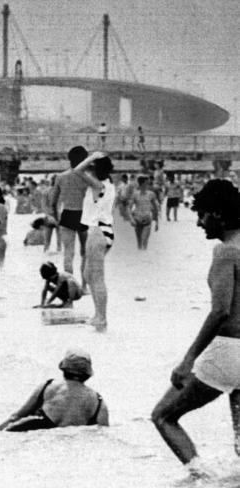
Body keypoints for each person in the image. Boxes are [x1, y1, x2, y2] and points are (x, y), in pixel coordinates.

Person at [151, 179, 240, 478]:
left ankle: (203, 480)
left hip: (227, 352)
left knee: (163, 416)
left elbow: (220, 311)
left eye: (202, 214)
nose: (200, 223)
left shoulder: (226, 252)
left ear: (218, 214)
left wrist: (188, 359)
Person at [0, 348, 108, 431]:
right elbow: (103, 434)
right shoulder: (98, 402)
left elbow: (16, 417)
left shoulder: (47, 387)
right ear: (88, 373)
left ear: (63, 369)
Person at [74, 151, 115, 331]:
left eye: (93, 168)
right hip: (102, 230)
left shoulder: (100, 185)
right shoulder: (106, 184)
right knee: (88, 275)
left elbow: (77, 171)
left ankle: (101, 317)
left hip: (99, 230)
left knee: (97, 277)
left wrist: (90, 158)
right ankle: (98, 314)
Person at [50, 146, 90, 291]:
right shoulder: (88, 178)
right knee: (85, 253)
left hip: (67, 214)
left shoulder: (61, 177)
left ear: (69, 159)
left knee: (68, 253)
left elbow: (53, 202)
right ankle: (85, 287)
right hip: (84, 215)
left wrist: (56, 217)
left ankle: (70, 285)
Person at [129, 175, 159, 250]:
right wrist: (131, 219)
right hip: (137, 219)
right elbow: (129, 208)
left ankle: (144, 257)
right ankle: (140, 259)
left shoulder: (151, 194)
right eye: (146, 183)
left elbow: (156, 208)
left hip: (147, 219)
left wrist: (157, 222)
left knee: (144, 240)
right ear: (142, 184)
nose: (148, 184)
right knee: (139, 242)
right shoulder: (135, 194)